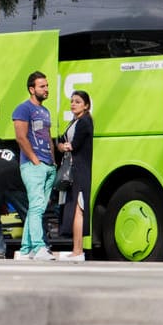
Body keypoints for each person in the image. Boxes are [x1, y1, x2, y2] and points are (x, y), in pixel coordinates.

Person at [12, 71, 56, 260]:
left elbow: (48, 137)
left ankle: (26, 250)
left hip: (48, 165)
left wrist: (53, 162)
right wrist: (35, 160)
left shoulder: (45, 111)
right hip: (32, 165)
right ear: (32, 89)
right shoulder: (23, 109)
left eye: (47, 85)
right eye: (42, 86)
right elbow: (20, 137)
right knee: (37, 206)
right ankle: (39, 248)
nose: (46, 89)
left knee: (37, 208)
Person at [55, 90, 94, 262]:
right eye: (72, 101)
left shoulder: (85, 121)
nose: (73, 104)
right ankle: (76, 249)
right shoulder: (75, 121)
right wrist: (61, 145)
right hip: (76, 169)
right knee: (75, 209)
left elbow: (73, 145)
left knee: (79, 209)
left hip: (80, 170)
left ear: (86, 105)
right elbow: (63, 141)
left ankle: (78, 250)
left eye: (77, 101)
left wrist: (63, 146)